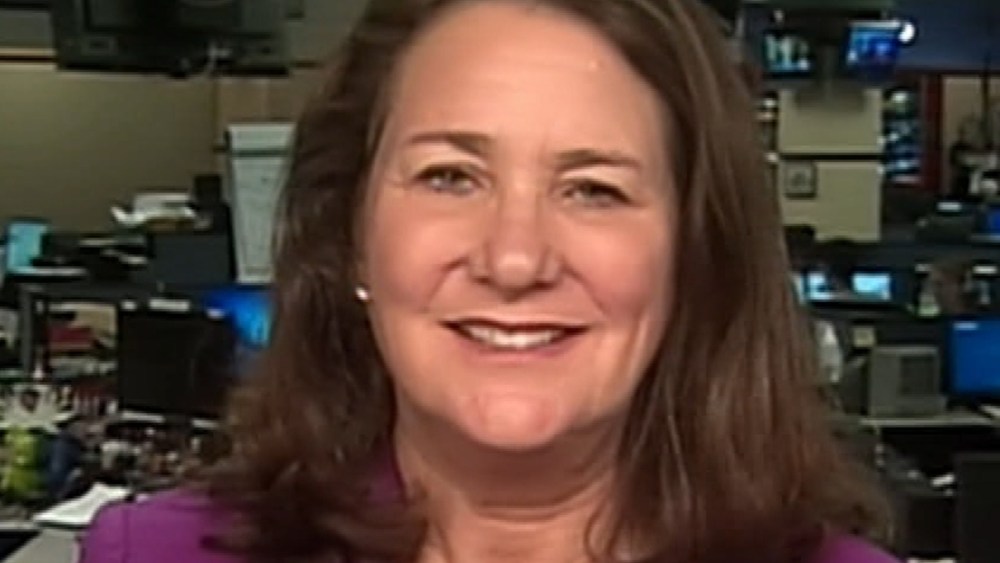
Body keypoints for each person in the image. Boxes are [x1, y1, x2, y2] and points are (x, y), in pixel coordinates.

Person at [82, 0, 898, 562]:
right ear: (351, 236)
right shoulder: (153, 554)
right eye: (450, 177)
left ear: (693, 255)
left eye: (593, 190)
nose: (514, 260)